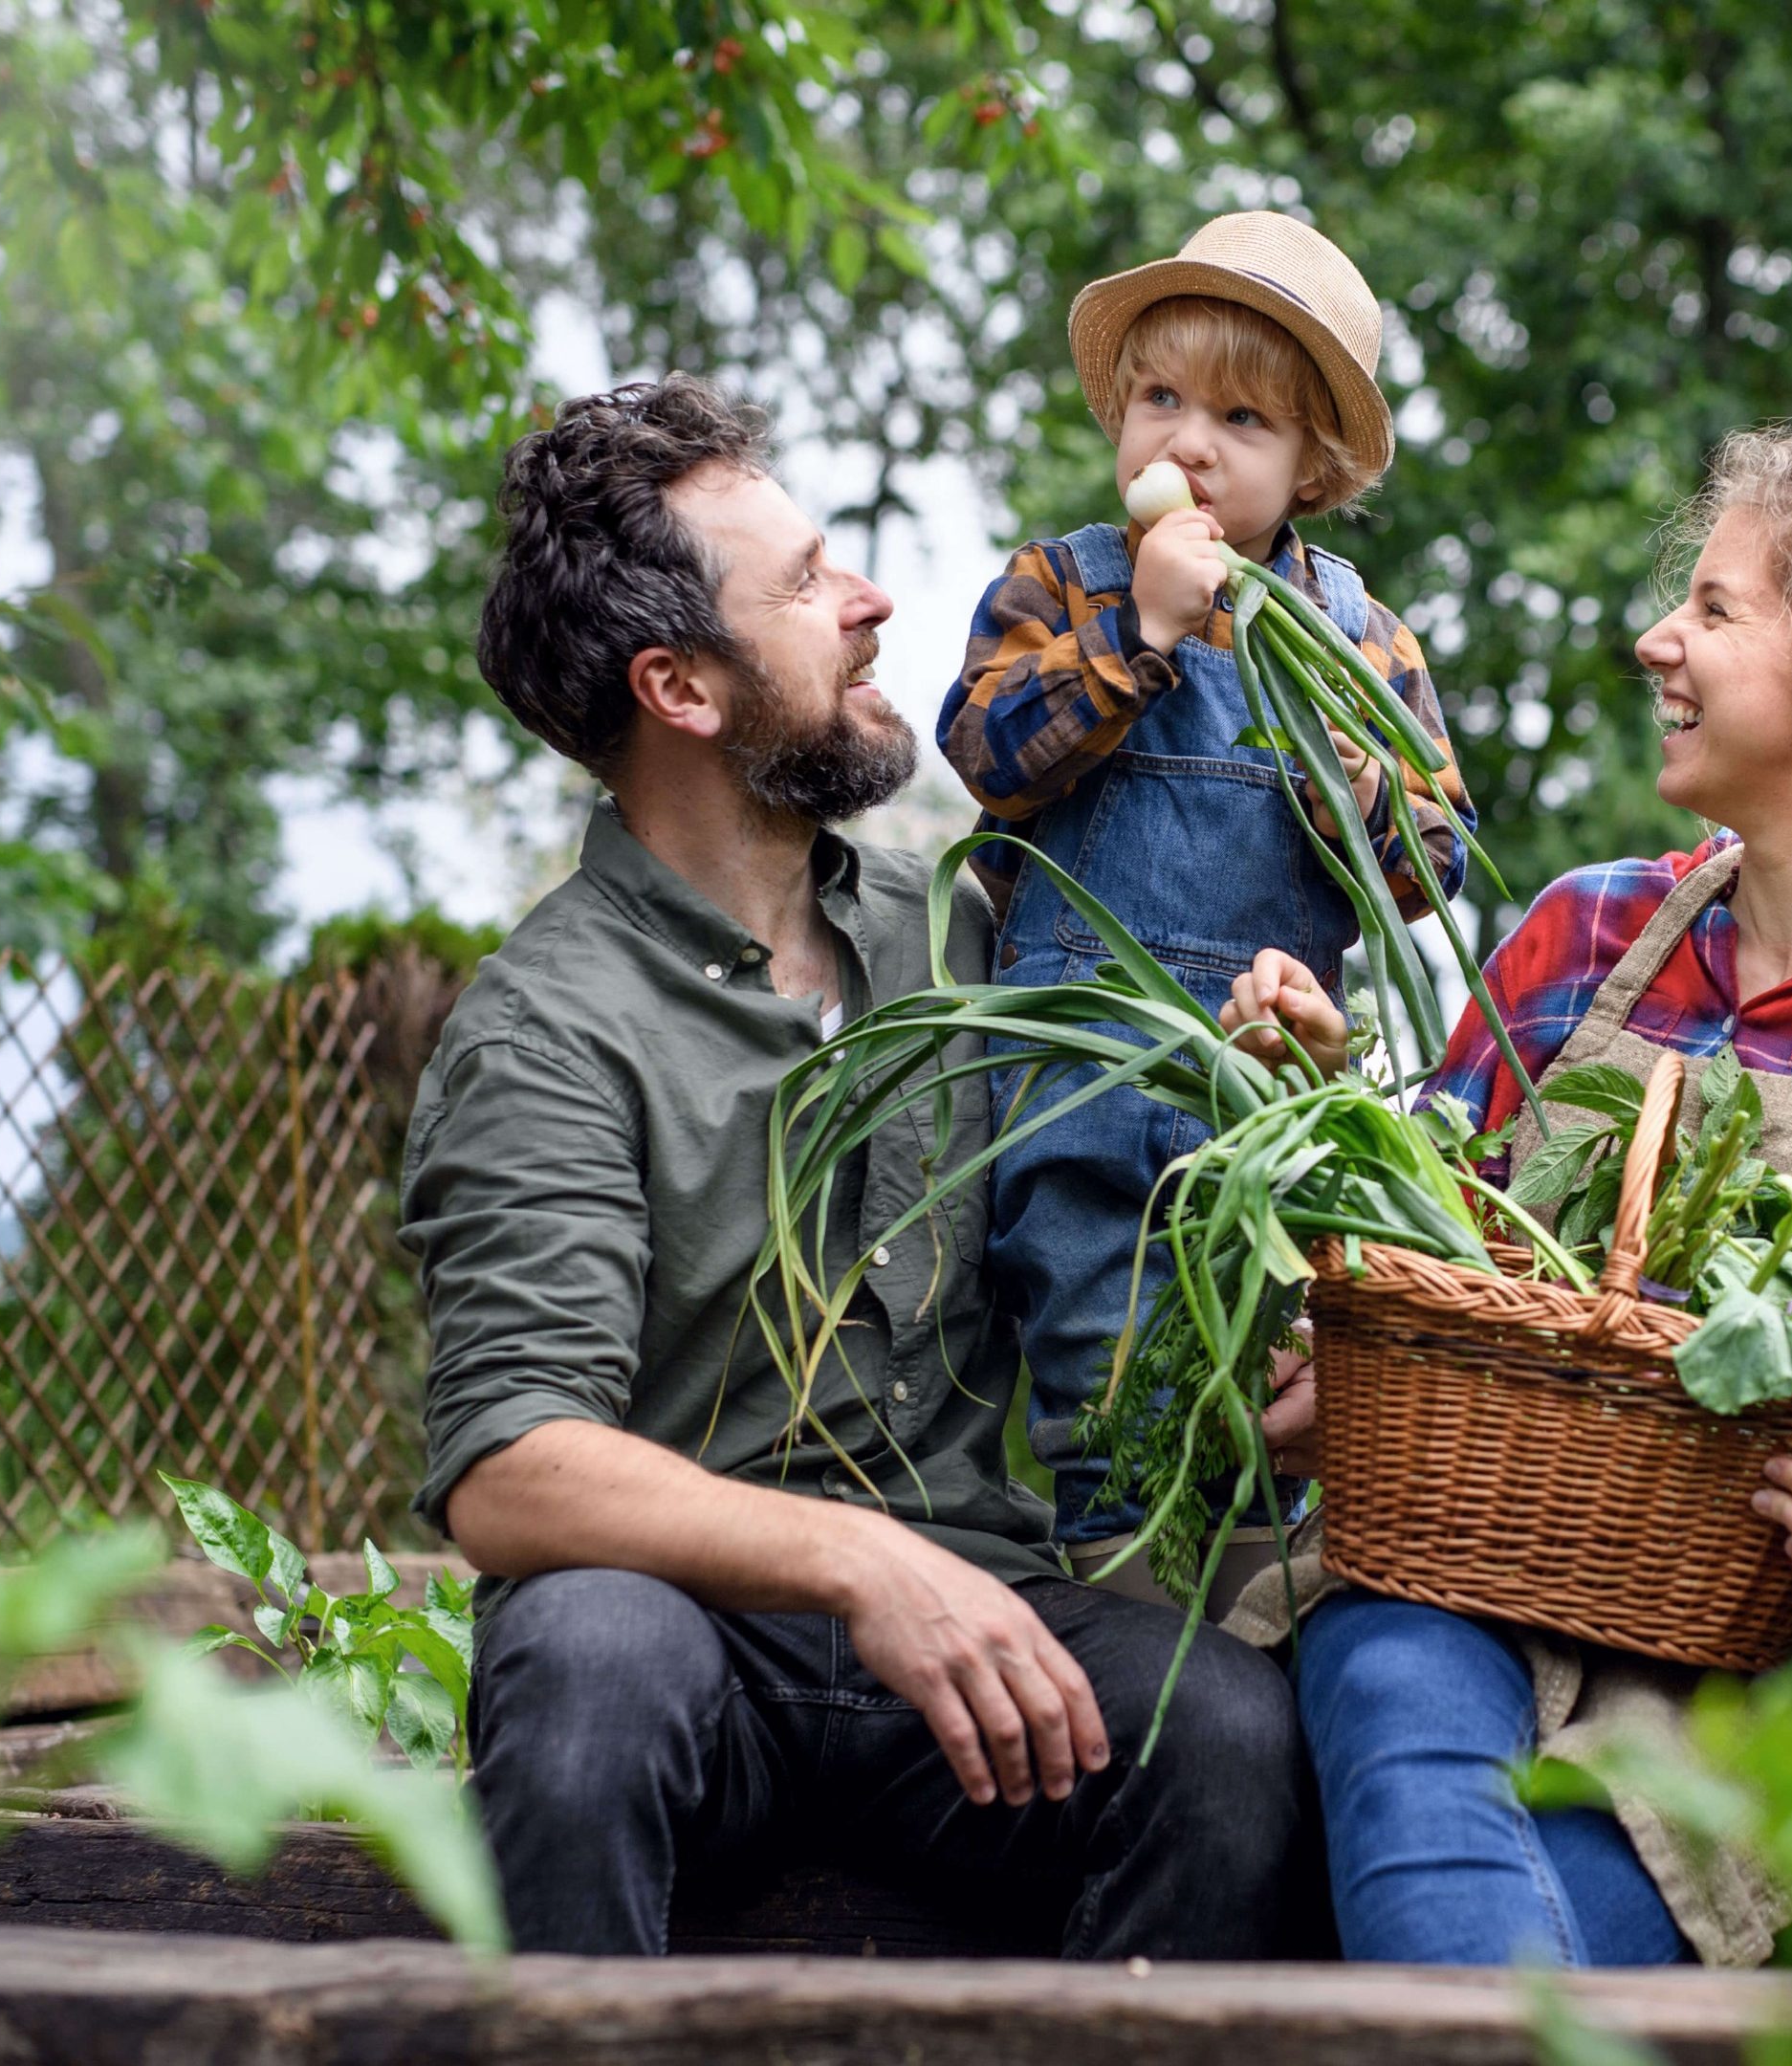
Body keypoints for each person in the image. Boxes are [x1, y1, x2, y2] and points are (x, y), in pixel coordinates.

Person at [1217, 420, 1792, 1967]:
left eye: (1714, 611)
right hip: (1475, 1572)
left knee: (1520, 1919)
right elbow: (1424, 1249)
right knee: (1391, 1677)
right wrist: (1322, 1133)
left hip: (1775, 1681)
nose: (1657, 640)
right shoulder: (1581, 941)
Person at [408, 374, 1300, 1959]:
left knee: (1222, 1728)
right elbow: (512, 1470)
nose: (877, 601)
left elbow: (1121, 1234)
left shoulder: (973, 939)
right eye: (812, 584)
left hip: (973, 1661)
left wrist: (1264, 1107)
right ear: (680, 689)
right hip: (706, 1652)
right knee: (588, 1656)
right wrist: (855, 1563)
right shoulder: (542, 1027)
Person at [937, 211, 1472, 1572]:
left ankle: (1259, 1607)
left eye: (1242, 420)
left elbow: (1435, 863)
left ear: (1315, 470)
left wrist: (1357, 791)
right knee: (1112, 1391)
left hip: (1268, 1094)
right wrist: (1142, 634)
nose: (1189, 444)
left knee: (1272, 1388)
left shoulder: (1363, 638)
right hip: (1081, 1075)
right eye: (1162, 399)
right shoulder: (1061, 585)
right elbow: (985, 752)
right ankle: (1130, 1601)